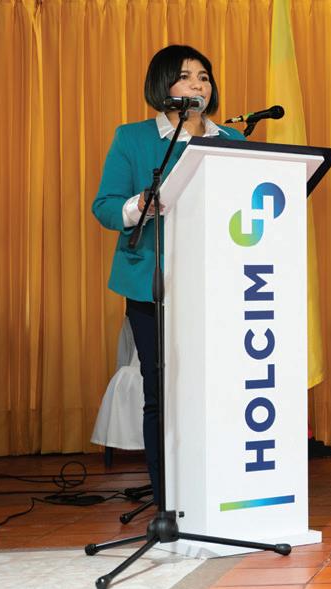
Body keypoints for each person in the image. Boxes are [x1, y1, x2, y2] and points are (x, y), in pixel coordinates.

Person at [91, 45, 245, 495]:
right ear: (163, 85)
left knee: (217, 386)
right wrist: (140, 204)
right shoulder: (133, 138)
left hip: (218, 283)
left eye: (204, 76)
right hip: (153, 283)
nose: (198, 84)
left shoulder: (232, 141)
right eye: (185, 76)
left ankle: (218, 489)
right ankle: (168, 498)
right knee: (162, 392)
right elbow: (105, 207)